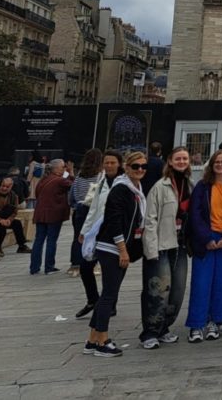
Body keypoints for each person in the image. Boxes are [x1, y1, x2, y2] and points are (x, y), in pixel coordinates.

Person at [85, 151, 147, 357]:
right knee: (109, 295)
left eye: (143, 166)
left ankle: (92, 339)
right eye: (135, 166)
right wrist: (122, 250)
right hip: (112, 247)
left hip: (119, 247)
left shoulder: (135, 188)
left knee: (108, 294)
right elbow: (114, 221)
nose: (140, 170)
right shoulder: (121, 189)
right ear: (126, 168)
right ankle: (103, 340)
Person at [185, 149, 222, 342]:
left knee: (221, 283)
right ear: (211, 165)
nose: (220, 165)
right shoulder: (203, 186)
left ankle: (213, 322)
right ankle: (196, 324)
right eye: (217, 162)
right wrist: (206, 238)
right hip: (206, 239)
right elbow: (195, 214)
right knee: (201, 282)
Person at [140, 145, 192, 349]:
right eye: (178, 159)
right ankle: (150, 331)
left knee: (177, 290)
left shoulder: (190, 184)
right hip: (161, 244)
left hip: (180, 244)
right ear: (169, 161)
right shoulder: (160, 187)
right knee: (158, 289)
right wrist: (150, 249)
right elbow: (150, 220)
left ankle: (164, 327)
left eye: (185, 159)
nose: (181, 162)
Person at [77, 150, 122, 319]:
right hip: (97, 230)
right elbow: (94, 207)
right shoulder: (102, 181)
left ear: (119, 164)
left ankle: (110, 304)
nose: (109, 166)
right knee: (85, 267)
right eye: (106, 163)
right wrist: (84, 231)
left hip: (114, 232)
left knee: (110, 270)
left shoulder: (124, 183)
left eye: (112, 163)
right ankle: (93, 299)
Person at [30, 158, 72, 275]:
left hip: (40, 213)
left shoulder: (43, 180)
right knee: (51, 240)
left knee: (38, 240)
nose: (64, 169)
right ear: (57, 168)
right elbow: (73, 185)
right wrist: (70, 173)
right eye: (63, 167)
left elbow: (38, 194)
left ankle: (34, 267)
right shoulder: (59, 180)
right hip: (54, 214)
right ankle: (49, 267)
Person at [68, 149, 103, 275]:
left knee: (78, 236)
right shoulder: (100, 175)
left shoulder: (79, 176)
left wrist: (74, 205)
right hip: (93, 209)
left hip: (79, 208)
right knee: (94, 236)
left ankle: (75, 265)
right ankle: (93, 263)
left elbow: (71, 194)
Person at [0, 176, 30, 253]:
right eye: (3, 186)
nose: (4, 188)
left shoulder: (14, 196)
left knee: (17, 224)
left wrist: (9, 220)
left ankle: (22, 246)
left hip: (6, 217)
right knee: (1, 227)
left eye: (7, 187)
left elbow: (15, 211)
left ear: (11, 187)